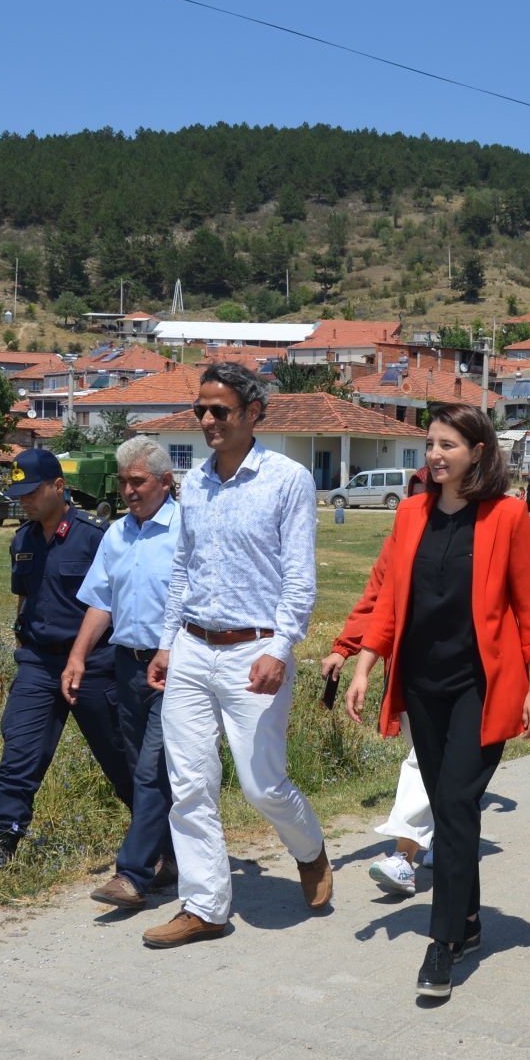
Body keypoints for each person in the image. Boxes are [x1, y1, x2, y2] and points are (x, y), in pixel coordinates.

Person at [346, 402, 530, 998]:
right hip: (422, 684)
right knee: (447, 808)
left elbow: (529, 606)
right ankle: (468, 918)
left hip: (480, 687)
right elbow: (391, 599)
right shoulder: (410, 512)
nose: (435, 455)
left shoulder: (507, 516)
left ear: (478, 452)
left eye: (448, 445)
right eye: (431, 444)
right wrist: (364, 664)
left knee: (458, 801)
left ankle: (442, 943)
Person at [141, 362, 332, 949]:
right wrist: (166, 644)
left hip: (256, 651)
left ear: (252, 413)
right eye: (200, 409)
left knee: (261, 784)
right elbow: (182, 570)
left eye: (218, 410)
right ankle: (204, 907)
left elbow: (298, 576)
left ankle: (309, 848)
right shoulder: (193, 483)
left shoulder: (287, 479)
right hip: (192, 648)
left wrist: (281, 647)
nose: (206, 420)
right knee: (190, 782)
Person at [0, 448, 132, 871]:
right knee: (19, 754)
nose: (24, 501)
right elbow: (25, 599)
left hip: (94, 665)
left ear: (59, 486)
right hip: (39, 664)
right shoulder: (23, 539)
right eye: (19, 494)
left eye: (32, 492)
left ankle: (159, 841)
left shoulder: (97, 536)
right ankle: (3, 848)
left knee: (121, 757)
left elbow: (118, 602)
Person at [63, 436, 180, 912]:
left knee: (152, 769)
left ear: (165, 482)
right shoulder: (117, 534)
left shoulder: (187, 530)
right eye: (123, 481)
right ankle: (171, 858)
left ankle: (132, 873)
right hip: (127, 666)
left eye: (138, 481)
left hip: (174, 669)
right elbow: (100, 601)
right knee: (140, 771)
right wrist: (78, 656)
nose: (129, 490)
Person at [322, 470, 432, 897]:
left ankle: (403, 858)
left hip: (463, 674)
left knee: (426, 759)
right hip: (408, 670)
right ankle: (443, 835)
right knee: (432, 761)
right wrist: (345, 650)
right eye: (411, 502)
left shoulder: (477, 533)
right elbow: (375, 602)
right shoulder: (396, 544)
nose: (417, 510)